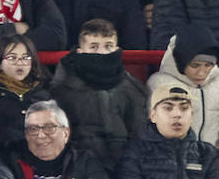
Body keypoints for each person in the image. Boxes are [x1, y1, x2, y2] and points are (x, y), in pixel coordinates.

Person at [50, 18, 149, 169]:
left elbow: (140, 133)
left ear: (117, 49)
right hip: (80, 165)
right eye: (94, 47)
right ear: (80, 51)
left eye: (108, 46)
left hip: (127, 165)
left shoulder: (132, 87)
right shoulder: (62, 89)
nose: (102, 53)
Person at [146, 23, 219, 153]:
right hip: (172, 157)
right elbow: (149, 128)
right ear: (181, 61)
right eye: (195, 65)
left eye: (208, 65)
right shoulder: (159, 83)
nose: (201, 73)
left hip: (216, 158)